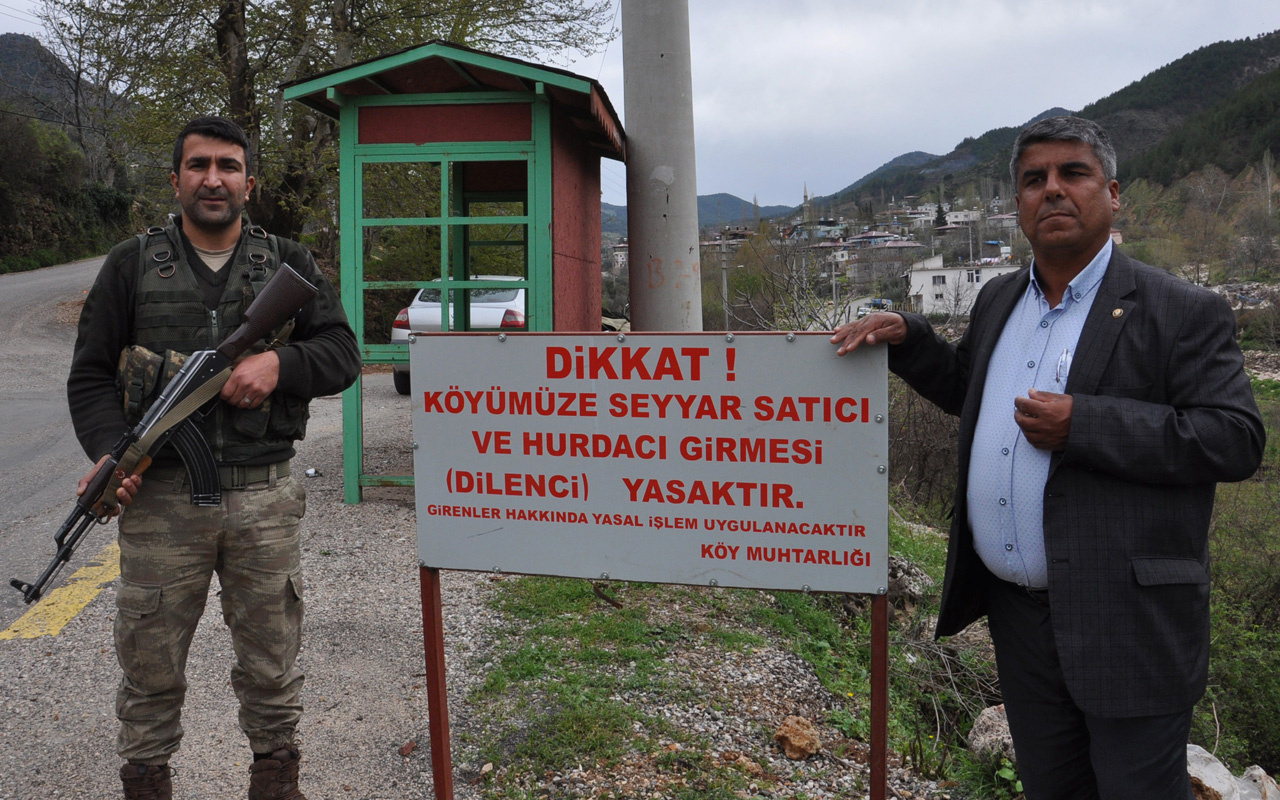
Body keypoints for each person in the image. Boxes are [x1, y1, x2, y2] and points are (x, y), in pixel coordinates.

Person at [830, 116, 1264, 800]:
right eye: (1035, 180)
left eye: (1074, 174)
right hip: (1020, 619)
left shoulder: (1181, 310)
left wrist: (1085, 424)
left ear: (1112, 193)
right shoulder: (1001, 297)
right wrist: (910, 338)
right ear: (1017, 204)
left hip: (1129, 622)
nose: (1053, 190)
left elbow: (1234, 437)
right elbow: (971, 388)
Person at [67, 116, 361, 800]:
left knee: (271, 660)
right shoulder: (131, 264)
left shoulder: (289, 263)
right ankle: (145, 782)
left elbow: (344, 353)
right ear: (175, 181)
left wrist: (280, 363)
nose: (213, 178)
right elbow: (88, 379)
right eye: (198, 166)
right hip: (163, 501)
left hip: (264, 499)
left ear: (248, 183)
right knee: (149, 662)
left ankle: (277, 781)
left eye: (228, 166)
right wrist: (117, 454)